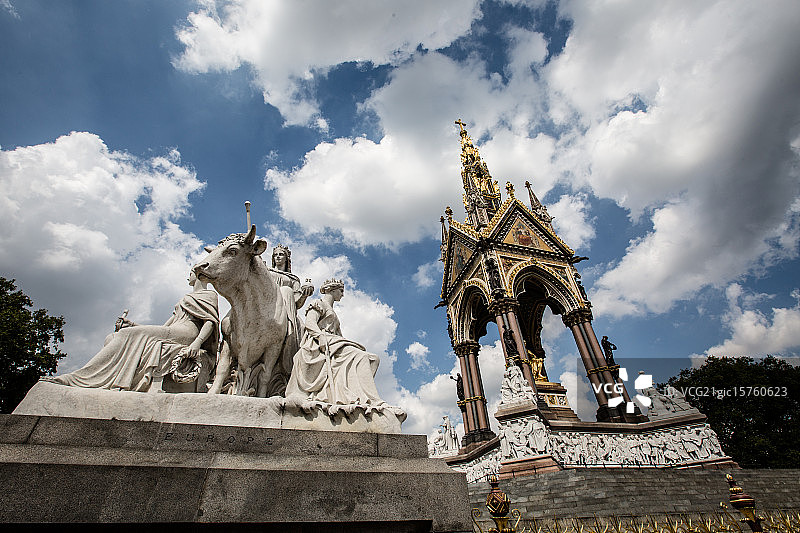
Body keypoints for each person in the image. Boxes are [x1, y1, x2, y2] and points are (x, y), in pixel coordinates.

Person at [45, 271, 219, 392]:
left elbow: (210, 322)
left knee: (124, 335)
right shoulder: (185, 297)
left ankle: (79, 378)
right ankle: (105, 380)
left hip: (187, 332)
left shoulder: (209, 296)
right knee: (113, 337)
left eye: (190, 273)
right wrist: (134, 325)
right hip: (174, 329)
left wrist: (196, 343)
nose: (187, 276)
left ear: (199, 275)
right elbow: (165, 327)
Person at [285, 278, 386, 410]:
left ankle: (364, 397)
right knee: (363, 357)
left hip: (334, 344)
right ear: (332, 290)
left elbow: (339, 336)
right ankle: (369, 399)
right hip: (319, 344)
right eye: (341, 291)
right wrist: (321, 337)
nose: (342, 294)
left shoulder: (334, 314)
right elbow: (310, 323)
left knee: (371, 359)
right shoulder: (318, 303)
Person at [268, 245, 314, 373]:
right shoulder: (267, 272)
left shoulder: (293, 279)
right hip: (268, 306)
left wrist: (304, 294)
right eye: (275, 254)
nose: (278, 257)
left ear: (286, 258)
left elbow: (297, 304)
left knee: (302, 329)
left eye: (281, 254)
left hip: (287, 310)